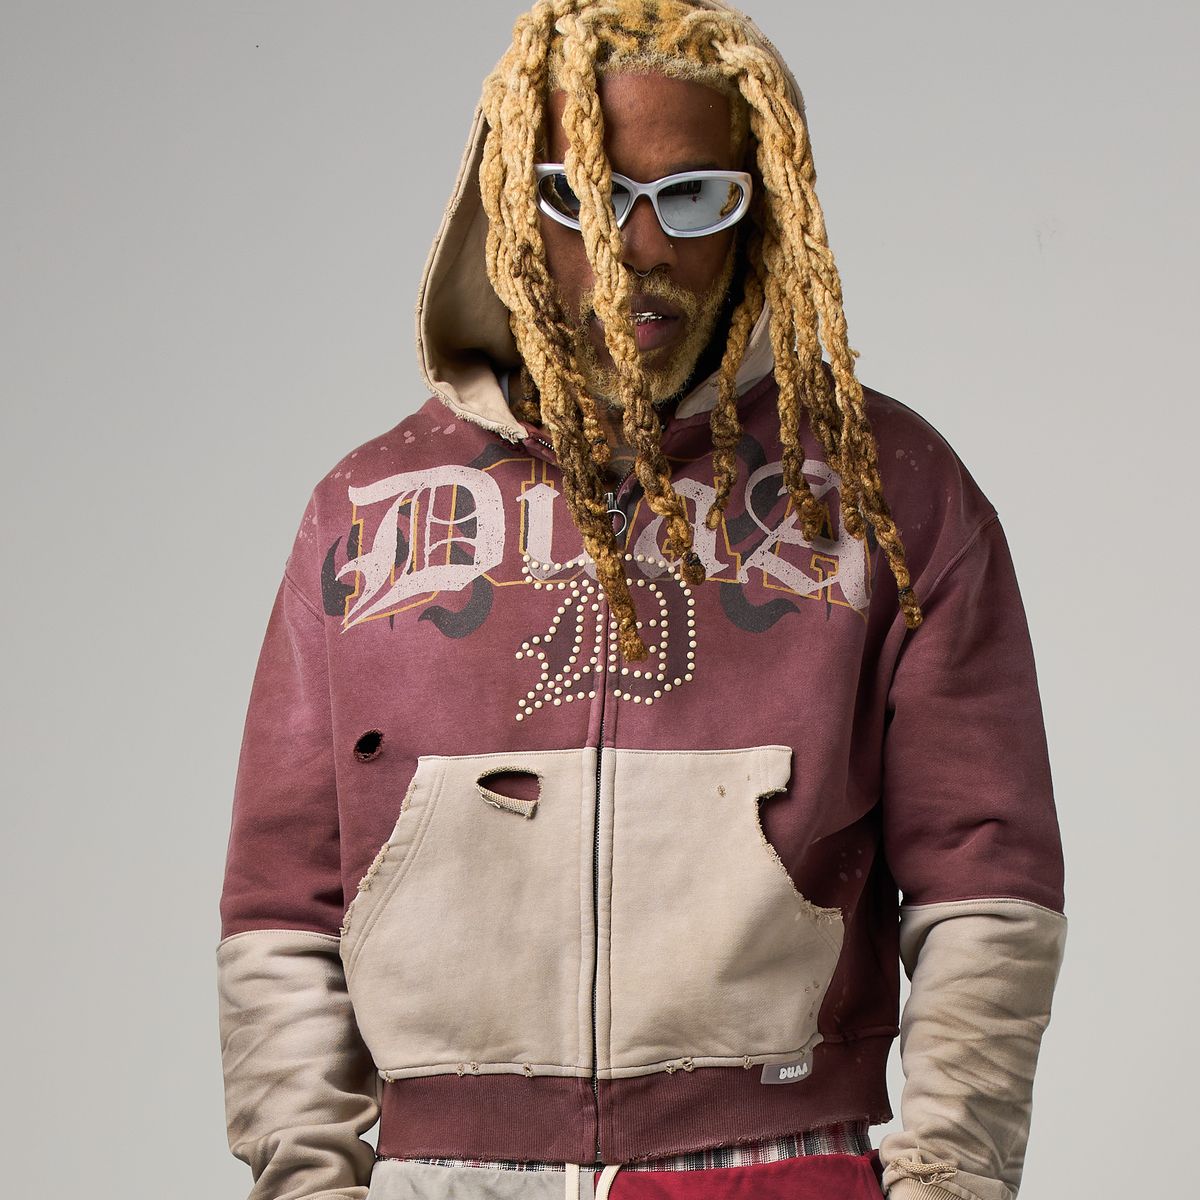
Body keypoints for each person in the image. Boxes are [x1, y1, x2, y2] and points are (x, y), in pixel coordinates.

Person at [215, 2, 1067, 1198]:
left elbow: (986, 880)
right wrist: (309, 1184)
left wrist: (949, 1179)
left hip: (777, 1167)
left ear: (758, 210)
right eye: (585, 197)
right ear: (510, 205)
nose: (639, 247)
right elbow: (282, 911)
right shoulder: (365, 512)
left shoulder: (889, 494)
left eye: (694, 197)